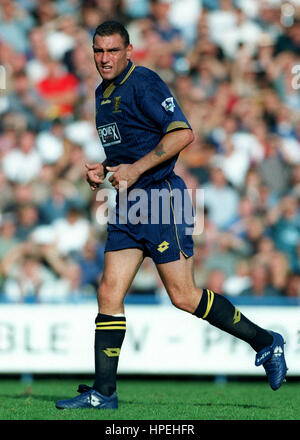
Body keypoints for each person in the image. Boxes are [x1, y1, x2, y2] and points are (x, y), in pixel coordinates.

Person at [55, 21, 287, 411]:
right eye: (99, 51)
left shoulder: (144, 82)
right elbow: (129, 149)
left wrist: (135, 169)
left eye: (113, 50)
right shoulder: (102, 92)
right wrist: (106, 168)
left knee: (183, 296)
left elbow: (182, 134)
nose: (105, 58)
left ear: (129, 51)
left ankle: (266, 341)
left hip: (161, 199)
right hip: (129, 203)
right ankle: (104, 393)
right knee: (109, 291)